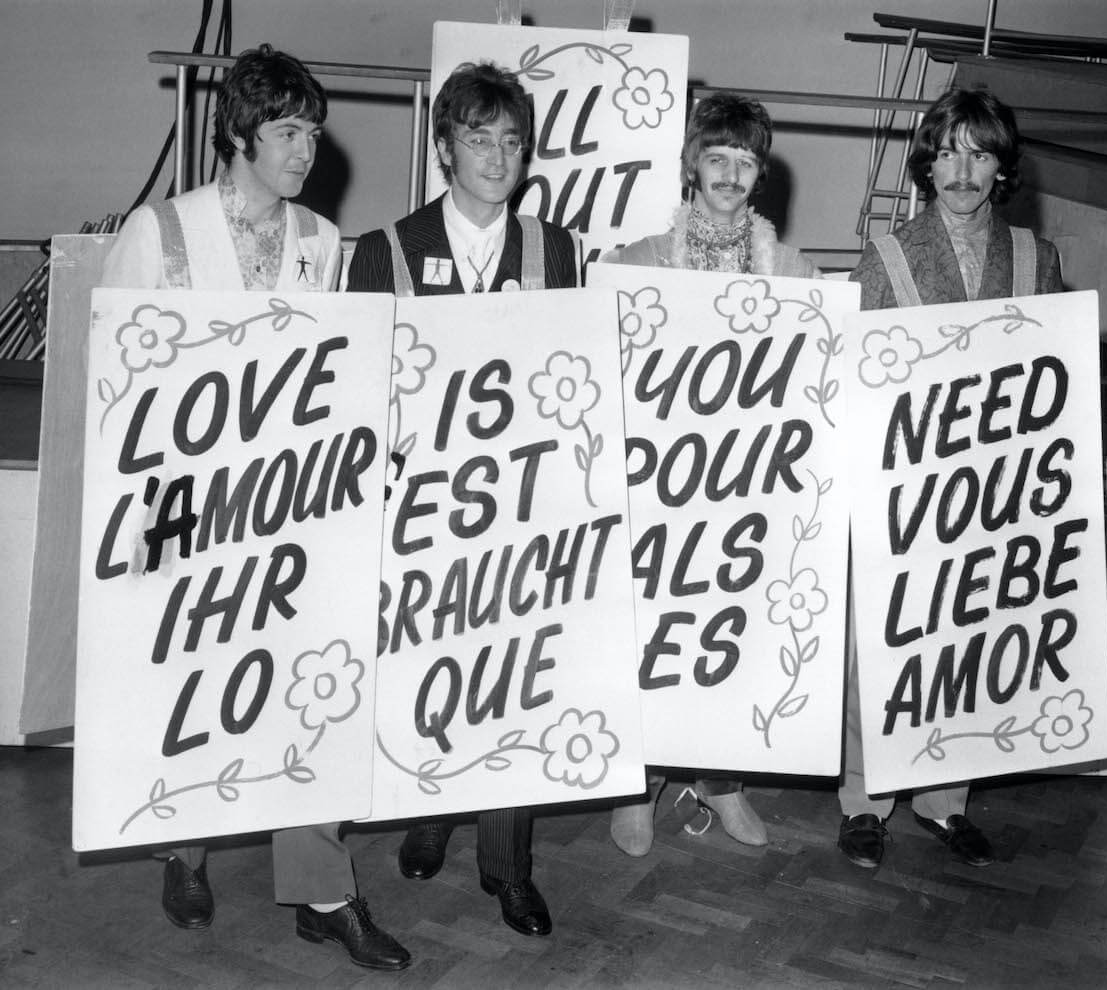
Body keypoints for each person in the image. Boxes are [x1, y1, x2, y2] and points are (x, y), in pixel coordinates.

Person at [100, 43, 410, 972]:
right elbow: (117, 385)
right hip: (184, 512)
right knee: (196, 688)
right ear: (238, 134)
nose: (304, 149)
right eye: (286, 131)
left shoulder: (323, 242)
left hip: (294, 512)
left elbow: (346, 374)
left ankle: (324, 889)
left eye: (312, 132)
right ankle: (185, 849)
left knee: (306, 692)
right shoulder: (157, 233)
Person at [346, 61, 577, 938]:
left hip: (521, 512)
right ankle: (432, 808)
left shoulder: (557, 251)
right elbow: (357, 395)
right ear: (444, 147)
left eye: (512, 140)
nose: (498, 156)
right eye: (479, 138)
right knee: (429, 676)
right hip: (420, 514)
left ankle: (508, 868)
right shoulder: (387, 248)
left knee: (510, 680)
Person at [839, 86, 1063, 871]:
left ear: (1002, 166)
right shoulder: (888, 256)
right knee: (883, 645)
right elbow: (856, 383)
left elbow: (1053, 380)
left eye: (980, 152)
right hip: (902, 486)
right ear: (926, 165)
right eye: (948, 153)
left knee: (963, 644)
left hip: (992, 492)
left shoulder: (1037, 257)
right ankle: (865, 802)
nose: (963, 170)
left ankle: (944, 798)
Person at [599, 91, 819, 858]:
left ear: (762, 174)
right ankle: (639, 786)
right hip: (658, 490)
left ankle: (722, 780)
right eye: (717, 156)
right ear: (692, 164)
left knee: (731, 637)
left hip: (747, 488)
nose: (730, 172)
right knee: (655, 638)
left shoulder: (793, 270)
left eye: (746, 159)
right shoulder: (636, 263)